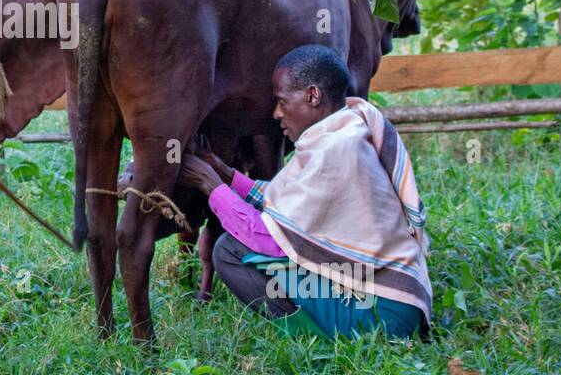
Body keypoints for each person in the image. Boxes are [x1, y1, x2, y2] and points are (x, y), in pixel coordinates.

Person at [179, 44, 433, 339]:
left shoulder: (335, 150)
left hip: (383, 316)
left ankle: (313, 340)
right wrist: (224, 172)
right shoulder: (346, 129)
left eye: (282, 101)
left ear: (312, 96)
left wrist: (210, 185)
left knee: (228, 251)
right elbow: (279, 201)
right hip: (399, 301)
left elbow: (268, 240)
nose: (276, 113)